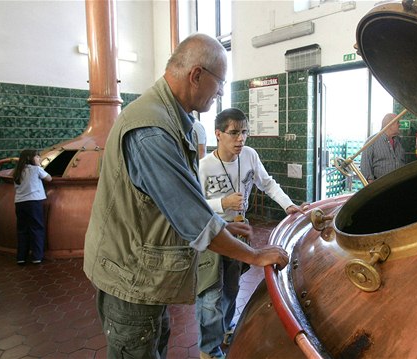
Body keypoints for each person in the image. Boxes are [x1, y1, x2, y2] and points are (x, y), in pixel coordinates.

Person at [83, 34, 289, 359]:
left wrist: (223, 223)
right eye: (219, 82)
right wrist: (255, 255)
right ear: (196, 76)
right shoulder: (151, 132)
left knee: (155, 341)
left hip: (147, 272)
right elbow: (195, 220)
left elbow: (177, 202)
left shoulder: (178, 121)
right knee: (138, 347)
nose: (221, 91)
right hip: (131, 277)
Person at [196, 108, 305, 359]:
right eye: (234, 133)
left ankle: (225, 329)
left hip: (239, 233)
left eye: (244, 132)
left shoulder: (250, 156)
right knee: (211, 293)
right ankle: (209, 351)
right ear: (218, 134)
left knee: (232, 287)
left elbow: (267, 183)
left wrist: (288, 205)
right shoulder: (204, 166)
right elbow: (193, 206)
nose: (240, 139)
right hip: (212, 235)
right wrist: (222, 204)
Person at [12, 149, 52, 265]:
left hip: (20, 203)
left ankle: (21, 257)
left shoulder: (17, 171)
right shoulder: (36, 169)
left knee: (22, 230)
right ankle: (37, 257)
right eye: (37, 157)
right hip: (33, 202)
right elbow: (49, 178)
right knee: (37, 228)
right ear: (30, 158)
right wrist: (40, 167)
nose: (39, 159)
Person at [359, 113, 406, 182]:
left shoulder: (399, 142)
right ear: (390, 124)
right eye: (397, 122)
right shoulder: (371, 141)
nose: (400, 125)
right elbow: (365, 167)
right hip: (381, 188)